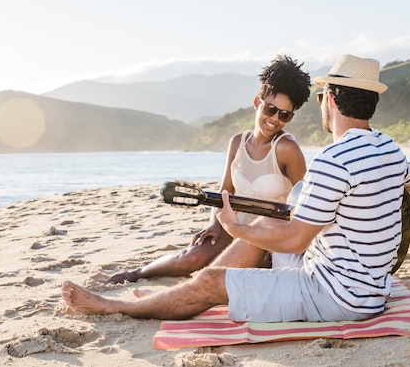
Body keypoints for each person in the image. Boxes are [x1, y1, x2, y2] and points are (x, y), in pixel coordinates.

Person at [62, 54, 410, 322]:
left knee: (211, 282)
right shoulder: (391, 149)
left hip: (336, 295)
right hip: (366, 282)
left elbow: (296, 240)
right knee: (262, 228)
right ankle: (183, 290)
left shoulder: (333, 159)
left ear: (332, 101)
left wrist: (232, 226)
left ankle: (115, 305)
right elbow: (408, 189)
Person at [108, 55, 311, 284]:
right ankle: (136, 274)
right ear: (257, 103)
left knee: (229, 276)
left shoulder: (286, 149)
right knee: (192, 258)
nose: (275, 119)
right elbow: (225, 191)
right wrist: (214, 224)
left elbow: (306, 201)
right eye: (270, 109)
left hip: (267, 238)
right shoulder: (237, 142)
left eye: (284, 115)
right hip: (233, 224)